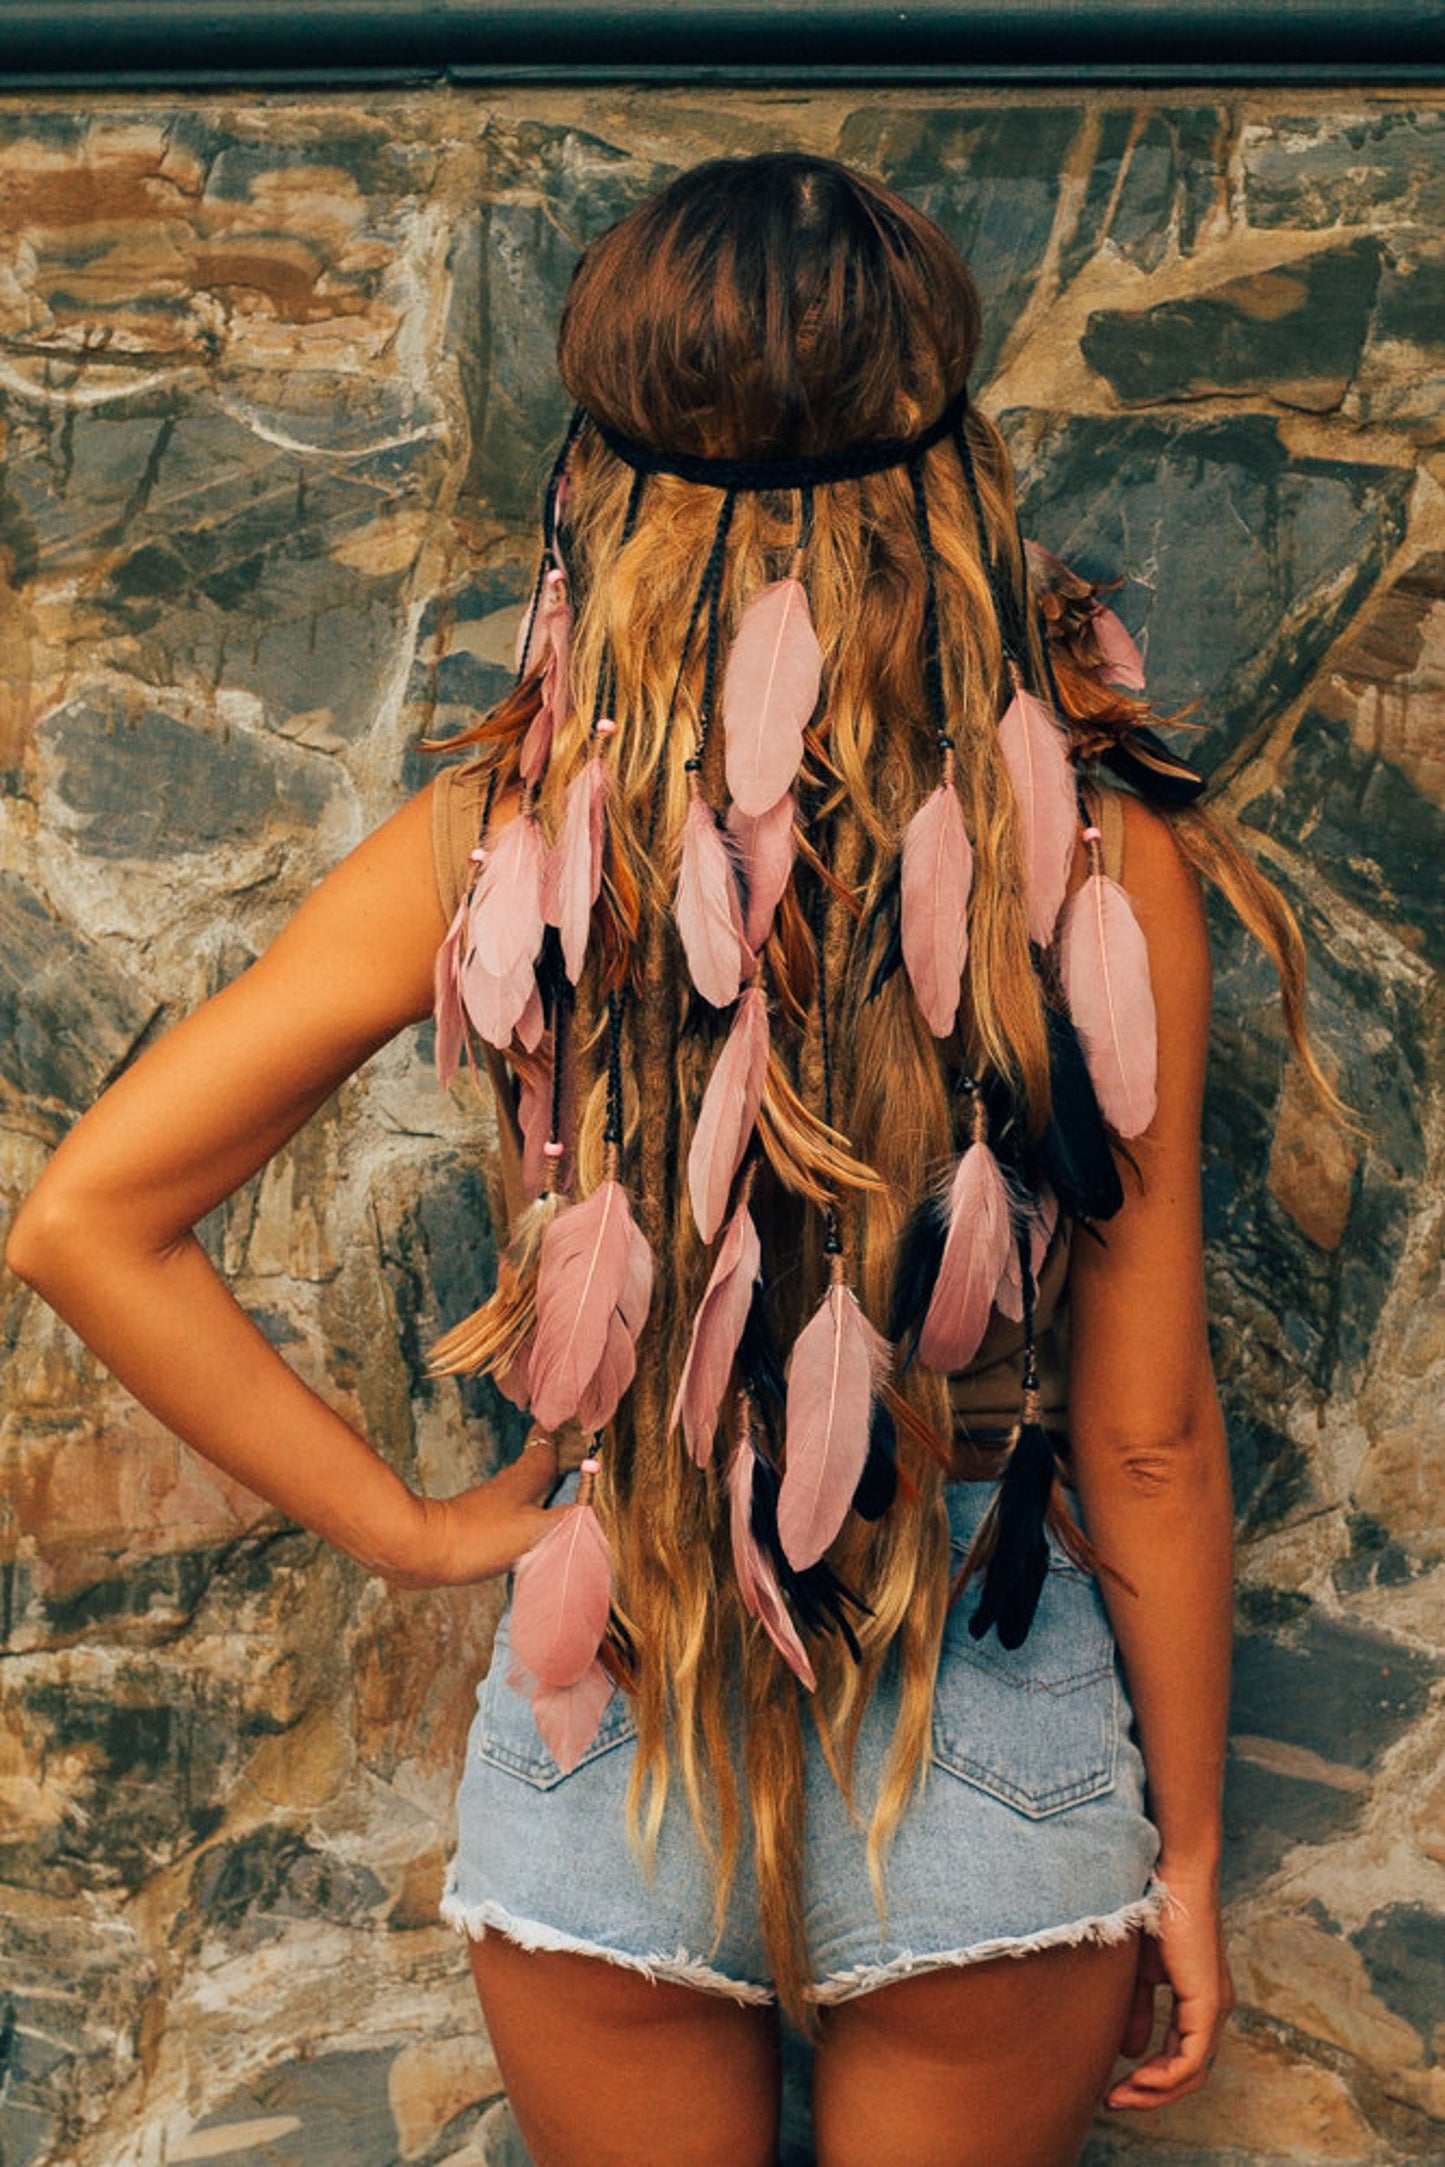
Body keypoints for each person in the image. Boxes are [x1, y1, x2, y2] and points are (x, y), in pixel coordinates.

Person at [6, 154, 1337, 2167]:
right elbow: (1144, 1437)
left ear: (601, 475)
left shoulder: (497, 844)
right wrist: (1190, 1851)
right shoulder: (1100, 857)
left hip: (608, 1693)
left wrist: (414, 1524)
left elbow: (84, 1214)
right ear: (954, 458)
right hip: (987, 1702)